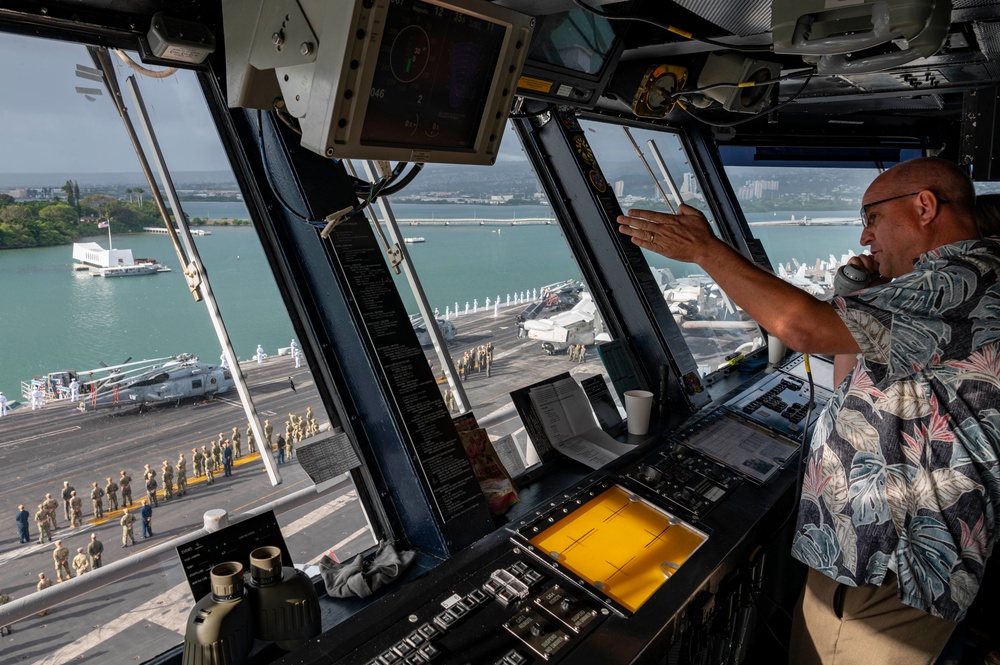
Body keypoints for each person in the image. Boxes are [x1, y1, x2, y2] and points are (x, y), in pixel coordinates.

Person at [618, 157, 998, 664]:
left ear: (924, 206)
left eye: (872, 217)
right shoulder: (945, 287)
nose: (865, 237)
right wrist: (859, 297)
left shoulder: (962, 281)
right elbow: (850, 380)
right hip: (869, 550)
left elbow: (799, 327)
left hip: (891, 560)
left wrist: (706, 251)